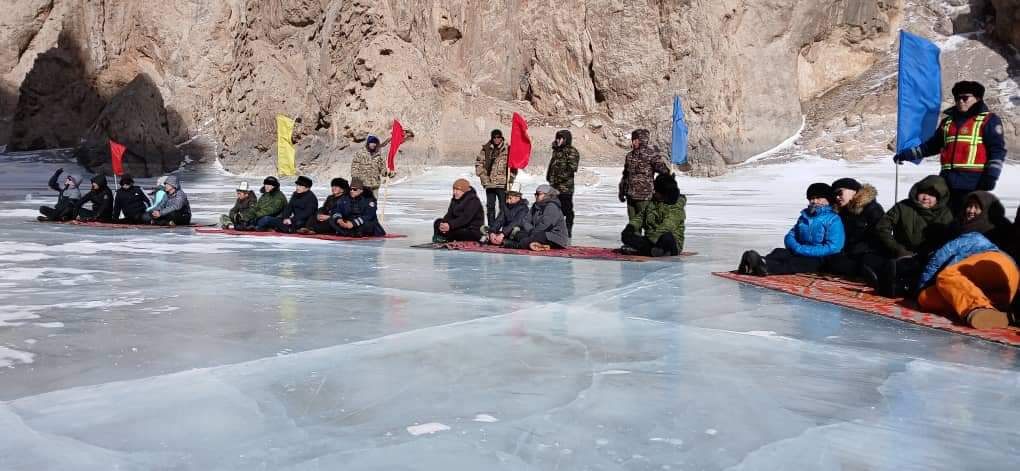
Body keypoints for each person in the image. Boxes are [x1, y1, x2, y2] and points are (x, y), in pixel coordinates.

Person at [894, 81, 1008, 214]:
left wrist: (991, 176)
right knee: (943, 220)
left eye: (965, 98)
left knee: (969, 219)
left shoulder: (988, 120)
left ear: (977, 98)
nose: (960, 101)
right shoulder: (947, 122)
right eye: (957, 98)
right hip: (946, 183)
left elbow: (997, 150)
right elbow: (931, 146)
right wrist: (906, 154)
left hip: (974, 183)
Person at [917, 192, 1019, 329]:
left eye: (976, 207)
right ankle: (994, 311)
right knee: (926, 298)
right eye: (969, 206)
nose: (970, 210)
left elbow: (940, 256)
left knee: (947, 276)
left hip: (998, 264)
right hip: (991, 288)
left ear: (986, 209)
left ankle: (977, 307)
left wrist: (922, 284)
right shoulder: (958, 227)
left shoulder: (979, 232)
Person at [872, 175, 954, 296]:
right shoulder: (903, 207)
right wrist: (898, 249)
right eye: (923, 193)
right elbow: (882, 227)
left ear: (939, 198)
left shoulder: (945, 214)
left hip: (929, 258)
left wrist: (929, 255)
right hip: (900, 254)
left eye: (931, 195)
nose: (926, 197)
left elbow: (947, 240)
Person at [739, 183, 844, 276]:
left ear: (828, 200)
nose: (814, 201)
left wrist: (803, 250)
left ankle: (766, 267)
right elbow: (791, 235)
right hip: (800, 251)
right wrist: (796, 247)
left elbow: (834, 247)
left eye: (818, 198)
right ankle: (758, 262)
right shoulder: (805, 216)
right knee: (779, 252)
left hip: (820, 258)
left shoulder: (833, 219)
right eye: (812, 198)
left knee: (797, 263)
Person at [822, 178, 884, 281]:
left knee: (869, 261)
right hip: (846, 252)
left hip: (868, 252)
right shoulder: (839, 211)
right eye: (835, 195)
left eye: (840, 192)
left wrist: (856, 249)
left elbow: (880, 237)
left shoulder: (872, 208)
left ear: (854, 191)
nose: (837, 197)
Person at [620, 173, 686, 257]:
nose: (654, 192)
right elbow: (641, 216)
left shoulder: (676, 207)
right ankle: (654, 251)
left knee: (667, 237)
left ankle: (648, 250)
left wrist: (650, 240)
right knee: (626, 236)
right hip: (650, 239)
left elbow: (667, 226)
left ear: (663, 193)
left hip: (669, 242)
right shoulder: (653, 202)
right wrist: (631, 226)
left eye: (656, 191)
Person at [619, 128, 671, 219]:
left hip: (644, 198)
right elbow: (625, 175)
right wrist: (621, 191)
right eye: (633, 140)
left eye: (636, 140)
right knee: (633, 224)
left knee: (646, 223)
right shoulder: (629, 156)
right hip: (630, 197)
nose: (634, 142)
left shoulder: (651, 155)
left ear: (642, 140)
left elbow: (664, 171)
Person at [503, 184, 570, 251]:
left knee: (534, 237)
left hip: (554, 236)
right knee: (518, 234)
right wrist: (531, 230)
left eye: (538, 194)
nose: (535, 196)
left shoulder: (552, 206)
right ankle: (540, 245)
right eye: (535, 194)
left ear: (547, 195)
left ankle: (516, 245)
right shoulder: (535, 205)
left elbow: (546, 225)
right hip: (536, 232)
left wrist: (533, 233)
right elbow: (526, 220)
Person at [475, 129, 515, 227]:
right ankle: (491, 227)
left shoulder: (508, 149)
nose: (496, 139)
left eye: (498, 137)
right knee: (490, 207)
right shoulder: (486, 149)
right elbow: (479, 164)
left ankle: (502, 227)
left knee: (503, 207)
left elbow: (513, 166)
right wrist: (483, 178)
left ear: (501, 138)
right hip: (489, 183)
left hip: (502, 184)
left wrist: (511, 179)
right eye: (494, 137)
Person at [546, 129, 580, 236]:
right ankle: (556, 229)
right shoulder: (556, 151)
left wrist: (559, 179)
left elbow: (571, 169)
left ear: (566, 139)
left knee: (567, 209)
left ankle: (568, 229)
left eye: (560, 138)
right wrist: (549, 177)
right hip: (554, 187)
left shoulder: (571, 151)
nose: (558, 140)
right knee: (554, 209)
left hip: (565, 187)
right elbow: (552, 166)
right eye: (557, 138)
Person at [434, 178, 485, 243]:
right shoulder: (455, 199)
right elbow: (449, 214)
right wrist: (444, 224)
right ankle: (440, 237)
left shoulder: (473, 200)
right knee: (438, 222)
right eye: (454, 189)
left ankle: (445, 237)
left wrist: (450, 225)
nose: (454, 192)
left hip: (471, 229)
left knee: (457, 232)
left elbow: (465, 218)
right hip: (457, 225)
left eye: (457, 190)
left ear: (464, 191)